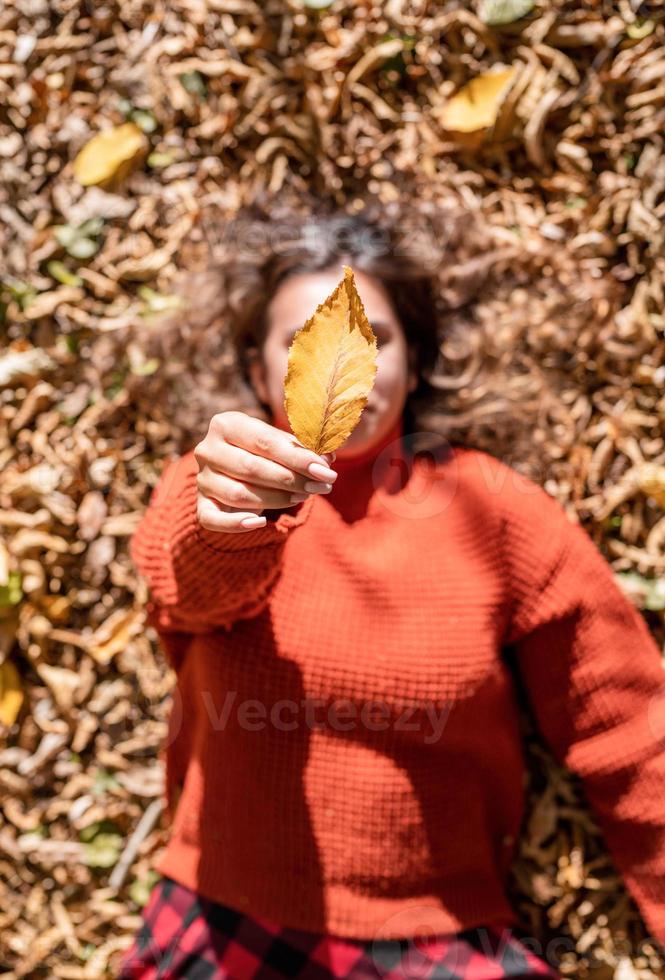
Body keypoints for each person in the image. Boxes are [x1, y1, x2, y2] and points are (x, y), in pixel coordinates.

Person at [118, 209, 665, 979]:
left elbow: (628, 730)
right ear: (258, 367)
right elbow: (190, 590)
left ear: (413, 357)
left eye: (373, 340)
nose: (350, 369)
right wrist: (234, 520)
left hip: (434, 935)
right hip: (224, 919)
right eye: (302, 343)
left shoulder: (496, 513)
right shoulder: (217, 486)